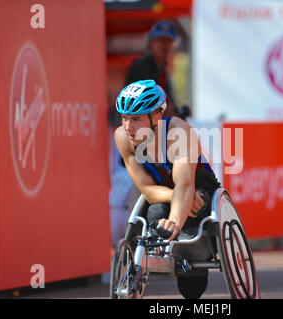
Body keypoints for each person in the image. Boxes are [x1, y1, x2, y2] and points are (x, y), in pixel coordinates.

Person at [114, 79, 221, 299]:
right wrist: (175, 199)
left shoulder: (179, 133)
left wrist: (174, 222)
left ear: (156, 116)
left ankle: (192, 253)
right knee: (154, 213)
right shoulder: (123, 138)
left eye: (136, 119)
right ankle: (142, 264)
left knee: (191, 290)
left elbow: (185, 184)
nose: (128, 127)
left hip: (198, 186)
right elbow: (147, 189)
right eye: (124, 118)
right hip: (165, 193)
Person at [124, 20, 179, 118]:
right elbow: (143, 101)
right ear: (151, 42)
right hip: (142, 125)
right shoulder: (141, 66)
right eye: (162, 40)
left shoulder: (163, 68)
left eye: (169, 41)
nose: (165, 46)